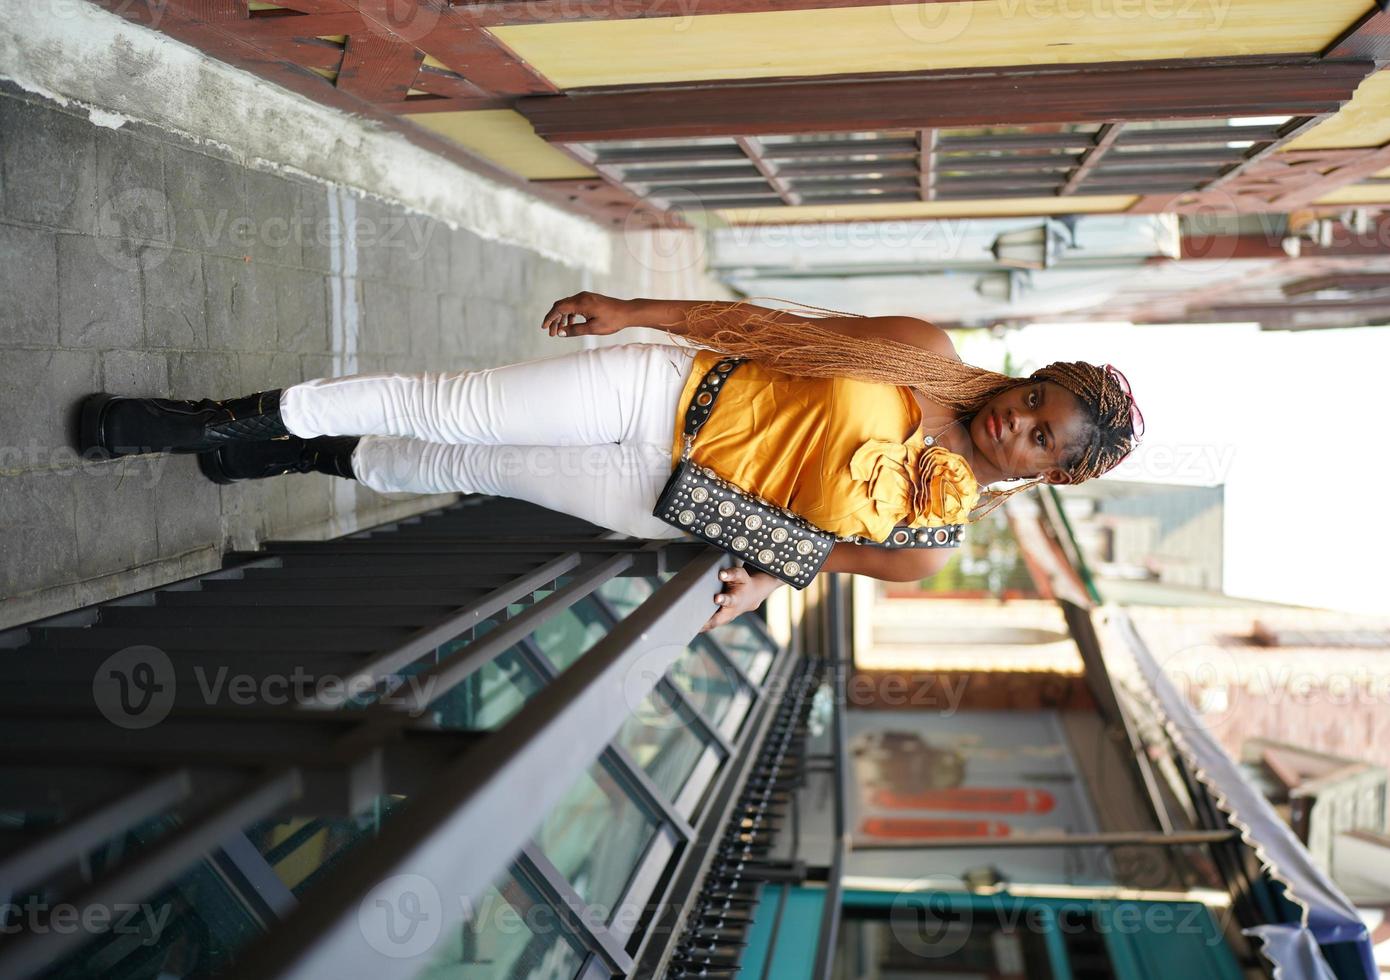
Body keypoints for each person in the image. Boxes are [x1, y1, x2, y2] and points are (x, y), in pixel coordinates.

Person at [74, 293, 1144, 632]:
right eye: (1039, 404)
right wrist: (635, 312)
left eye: (1046, 442)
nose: (1024, 427)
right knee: (446, 403)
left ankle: (272, 459)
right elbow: (760, 324)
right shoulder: (924, 349)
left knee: (453, 462)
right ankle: (207, 421)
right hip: (664, 390)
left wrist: (766, 577)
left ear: (1048, 474)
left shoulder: (928, 546)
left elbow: (814, 554)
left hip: (654, 496)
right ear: (1031, 378)